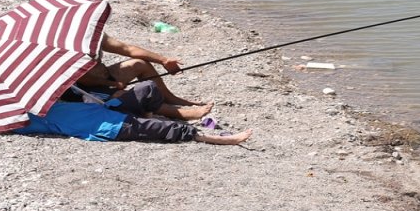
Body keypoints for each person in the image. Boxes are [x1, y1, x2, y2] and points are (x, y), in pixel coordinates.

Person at [13, 81, 251, 146]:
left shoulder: (35, 93)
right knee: (165, 129)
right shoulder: (19, 118)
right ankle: (214, 138)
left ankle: (152, 114)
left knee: (147, 88)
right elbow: (13, 126)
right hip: (106, 126)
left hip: (101, 109)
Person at [73, 33, 209, 112]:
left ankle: (169, 98)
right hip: (83, 88)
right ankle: (183, 113)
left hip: (104, 76)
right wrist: (112, 83)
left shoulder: (93, 33)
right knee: (131, 98)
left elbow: (127, 49)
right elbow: (82, 78)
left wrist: (164, 60)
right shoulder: (68, 43)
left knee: (139, 64)